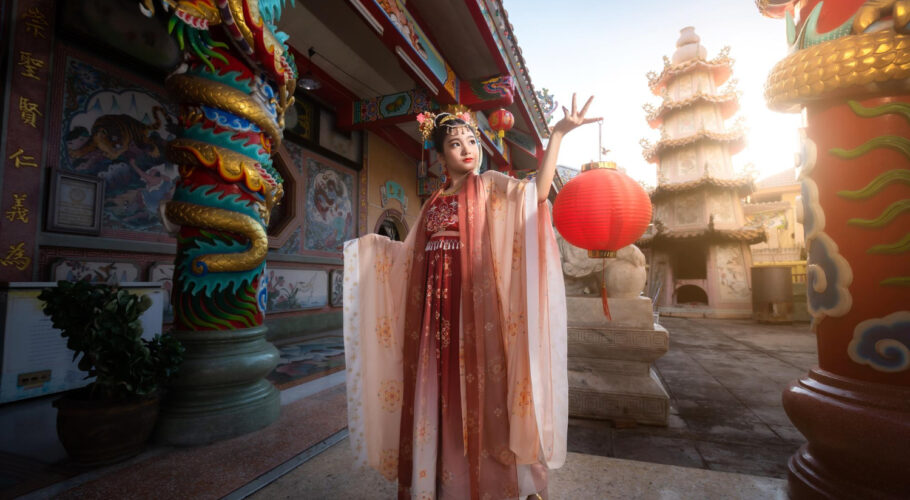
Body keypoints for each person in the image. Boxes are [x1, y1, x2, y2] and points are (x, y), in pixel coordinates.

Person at [343, 95, 598, 499]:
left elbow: (538, 193)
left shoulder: (492, 186)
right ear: (439, 156)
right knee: (437, 389)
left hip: (476, 308)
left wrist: (558, 135)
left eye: (472, 142)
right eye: (456, 144)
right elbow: (409, 254)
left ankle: (503, 480)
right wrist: (376, 252)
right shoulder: (433, 202)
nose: (468, 150)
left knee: (486, 391)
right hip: (433, 311)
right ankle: (442, 479)